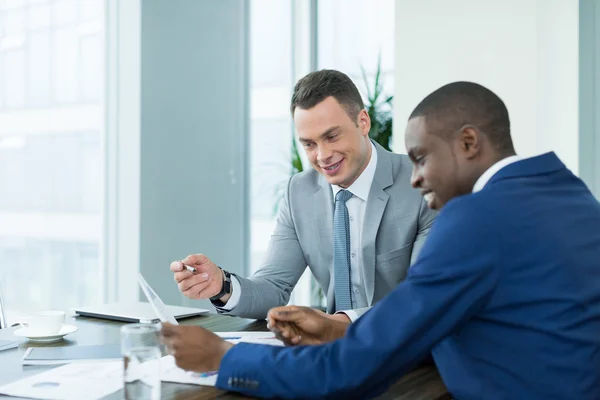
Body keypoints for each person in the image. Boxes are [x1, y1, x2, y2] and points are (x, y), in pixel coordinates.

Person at [161, 81, 600, 399]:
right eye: (308, 143)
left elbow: (354, 368)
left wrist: (224, 358)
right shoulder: (571, 194)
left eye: (422, 158)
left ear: (469, 143)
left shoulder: (474, 218)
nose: (417, 177)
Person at [170, 69, 435, 321]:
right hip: (333, 353)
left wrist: (341, 323)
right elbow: (273, 287)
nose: (322, 156)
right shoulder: (299, 192)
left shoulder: (423, 184)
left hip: (408, 351)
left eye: (331, 136)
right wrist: (221, 286)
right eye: (309, 144)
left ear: (363, 122)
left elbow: (423, 296)